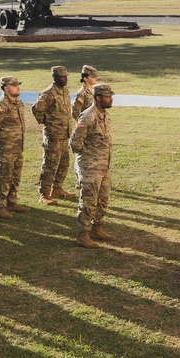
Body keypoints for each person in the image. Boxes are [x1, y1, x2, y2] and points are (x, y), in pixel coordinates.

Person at [70, 83, 117, 248]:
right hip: (90, 167)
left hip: (104, 166)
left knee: (103, 199)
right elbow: (75, 143)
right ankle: (83, 235)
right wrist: (88, 157)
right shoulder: (88, 117)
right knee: (88, 200)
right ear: (98, 98)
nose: (111, 99)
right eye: (108, 96)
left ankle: (97, 229)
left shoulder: (105, 115)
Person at [31, 66, 76, 206]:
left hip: (64, 135)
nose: (65, 79)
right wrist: (48, 122)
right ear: (55, 78)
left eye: (66, 76)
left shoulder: (65, 91)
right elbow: (36, 111)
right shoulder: (47, 94)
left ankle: (57, 188)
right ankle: (44, 194)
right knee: (50, 165)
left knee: (63, 163)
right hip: (53, 136)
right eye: (62, 77)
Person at [0, 76, 30, 220]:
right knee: (3, 177)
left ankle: (12, 202)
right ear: (6, 88)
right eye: (14, 85)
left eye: (18, 84)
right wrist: (1, 143)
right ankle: (0, 206)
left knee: (15, 176)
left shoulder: (18, 102)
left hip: (17, 147)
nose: (18, 87)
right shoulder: (1, 105)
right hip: (5, 148)